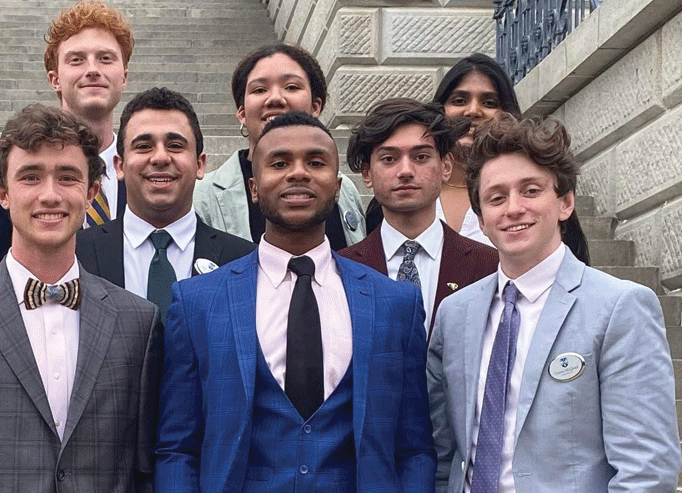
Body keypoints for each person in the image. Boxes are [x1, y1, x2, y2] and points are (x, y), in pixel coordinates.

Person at [157, 112, 435, 492]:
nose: (299, 173)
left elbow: (414, 449)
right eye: (279, 163)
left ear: (337, 187)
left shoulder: (395, 303)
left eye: (316, 163)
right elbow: (178, 449)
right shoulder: (197, 303)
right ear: (254, 187)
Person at [0, 105, 161, 492]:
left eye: (67, 177)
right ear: (2, 193)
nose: (50, 195)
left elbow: (144, 474)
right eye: (30, 177)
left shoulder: (138, 322)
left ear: (91, 192)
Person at [427, 116, 680, 493]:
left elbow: (647, 468)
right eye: (496, 197)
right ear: (480, 218)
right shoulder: (454, 314)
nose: (513, 208)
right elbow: (442, 452)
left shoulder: (620, 307)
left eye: (530, 191)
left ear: (566, 203)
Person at [0, 1, 134, 272]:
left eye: (105, 58)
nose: (92, 69)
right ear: (55, 79)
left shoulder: (142, 177)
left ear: (124, 77)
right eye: (77, 59)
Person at [77, 87, 254, 319]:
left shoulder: (245, 261)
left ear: (200, 164)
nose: (160, 157)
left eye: (175, 146)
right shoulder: (76, 254)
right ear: (119, 166)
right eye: (144, 146)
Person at [340, 98, 497, 336]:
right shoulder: (341, 269)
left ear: (446, 167)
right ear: (367, 173)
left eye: (421, 157)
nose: (405, 171)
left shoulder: (489, 265)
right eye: (389, 159)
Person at [194, 43, 366, 250]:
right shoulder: (202, 196)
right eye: (259, 90)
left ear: (315, 107)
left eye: (291, 87)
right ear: (242, 113)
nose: (275, 98)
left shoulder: (345, 189)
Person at [431, 53, 590, 264]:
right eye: (459, 101)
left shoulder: (536, 199)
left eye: (489, 102)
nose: (473, 111)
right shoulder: (410, 188)